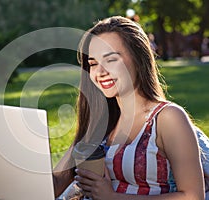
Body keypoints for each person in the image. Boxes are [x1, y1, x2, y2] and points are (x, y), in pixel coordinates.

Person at [53, 16, 206, 200]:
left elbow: (192, 196)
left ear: (138, 57)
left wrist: (112, 197)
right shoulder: (100, 122)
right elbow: (55, 184)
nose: (100, 72)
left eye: (111, 60)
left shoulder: (167, 118)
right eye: (93, 64)